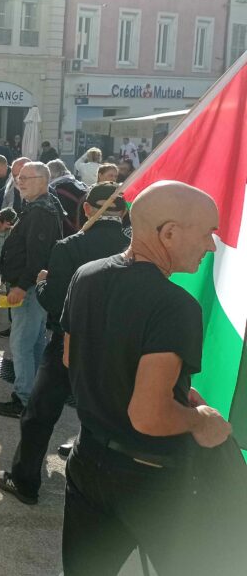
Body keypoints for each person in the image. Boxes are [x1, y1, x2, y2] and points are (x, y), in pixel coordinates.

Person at [61, 181, 230, 575]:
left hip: (87, 461)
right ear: (169, 233)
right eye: (208, 232)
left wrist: (176, 392)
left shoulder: (86, 275)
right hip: (151, 479)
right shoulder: (176, 306)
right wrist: (199, 420)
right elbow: (149, 416)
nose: (211, 246)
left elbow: (72, 358)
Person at [0, 183, 130, 505]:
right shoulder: (134, 245)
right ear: (123, 211)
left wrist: (42, 283)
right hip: (118, 343)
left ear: (87, 209)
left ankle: (25, 480)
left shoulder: (70, 246)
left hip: (70, 341)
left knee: (40, 414)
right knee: (103, 408)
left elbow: (54, 302)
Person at [0, 162, 62, 418]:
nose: (20, 182)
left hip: (29, 289)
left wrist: (21, 286)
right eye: (18, 178)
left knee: (22, 343)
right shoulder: (39, 206)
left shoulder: (41, 211)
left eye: (26, 178)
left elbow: (38, 256)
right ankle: (34, 394)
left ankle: (23, 399)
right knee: (34, 343)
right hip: (32, 286)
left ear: (43, 181)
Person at [47, 159, 88, 237]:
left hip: (69, 232)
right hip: (86, 228)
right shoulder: (81, 184)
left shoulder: (56, 189)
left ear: (50, 174)